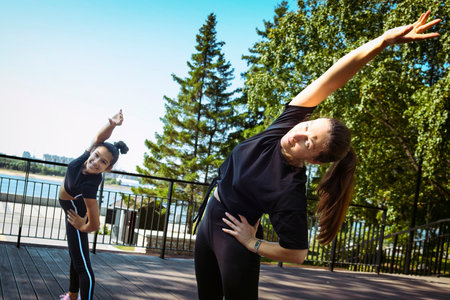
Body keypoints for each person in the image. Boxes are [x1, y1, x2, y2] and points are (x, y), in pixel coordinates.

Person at [194, 11, 441, 299]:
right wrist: (382, 41)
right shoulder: (285, 126)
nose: (298, 134)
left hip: (233, 239)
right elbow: (331, 79)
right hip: (208, 222)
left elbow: (297, 253)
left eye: (308, 143)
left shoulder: (289, 188)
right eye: (307, 126)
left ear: (313, 160)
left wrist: (253, 244)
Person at [58, 110, 128, 300]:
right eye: (96, 156)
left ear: (108, 168)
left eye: (103, 162)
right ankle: (72, 296)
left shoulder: (90, 186)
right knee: (75, 255)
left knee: (84, 268)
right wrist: (112, 124)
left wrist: (82, 224)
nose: (96, 162)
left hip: (75, 212)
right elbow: (99, 137)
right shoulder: (84, 159)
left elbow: (95, 224)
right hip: (70, 209)